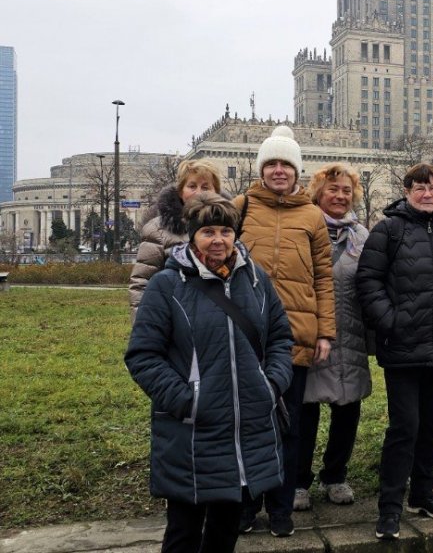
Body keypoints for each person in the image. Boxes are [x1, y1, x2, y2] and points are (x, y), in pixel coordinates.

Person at [125, 193, 293, 553]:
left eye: (225, 231)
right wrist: (187, 401)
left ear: (235, 235)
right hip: (193, 431)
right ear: (192, 236)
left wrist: (272, 384)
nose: (218, 240)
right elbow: (143, 355)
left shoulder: (255, 280)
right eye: (208, 232)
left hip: (246, 428)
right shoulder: (167, 286)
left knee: (225, 531)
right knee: (183, 533)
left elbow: (280, 337)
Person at [356, 164, 433, 541]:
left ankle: (423, 494)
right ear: (407, 190)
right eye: (420, 188)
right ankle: (390, 507)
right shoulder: (388, 230)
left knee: (432, 426)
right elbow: (368, 280)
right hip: (403, 347)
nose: (428, 194)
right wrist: (390, 321)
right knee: (404, 427)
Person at [234, 124, 335, 538]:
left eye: (286, 165)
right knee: (245, 423)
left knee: (288, 426)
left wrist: (325, 332)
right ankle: (244, 505)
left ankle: (280, 508)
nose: (279, 171)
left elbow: (324, 279)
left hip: (295, 336)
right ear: (261, 169)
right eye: (271, 163)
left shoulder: (312, 215)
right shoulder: (240, 207)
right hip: (244, 336)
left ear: (297, 172)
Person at [295, 163, 371, 510]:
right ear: (318, 193)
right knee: (304, 411)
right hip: (310, 334)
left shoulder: (362, 236)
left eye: (346, 191)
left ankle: (335, 475)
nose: (340, 196)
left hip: (350, 334)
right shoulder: (302, 229)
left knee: (347, 409)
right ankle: (298, 480)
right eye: (332, 190)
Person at [128, 158, 222, 322]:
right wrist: (144, 328)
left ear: (216, 192)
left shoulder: (229, 229)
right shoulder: (158, 230)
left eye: (205, 187)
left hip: (218, 325)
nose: (198, 193)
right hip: (175, 325)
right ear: (181, 191)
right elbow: (141, 284)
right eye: (192, 186)